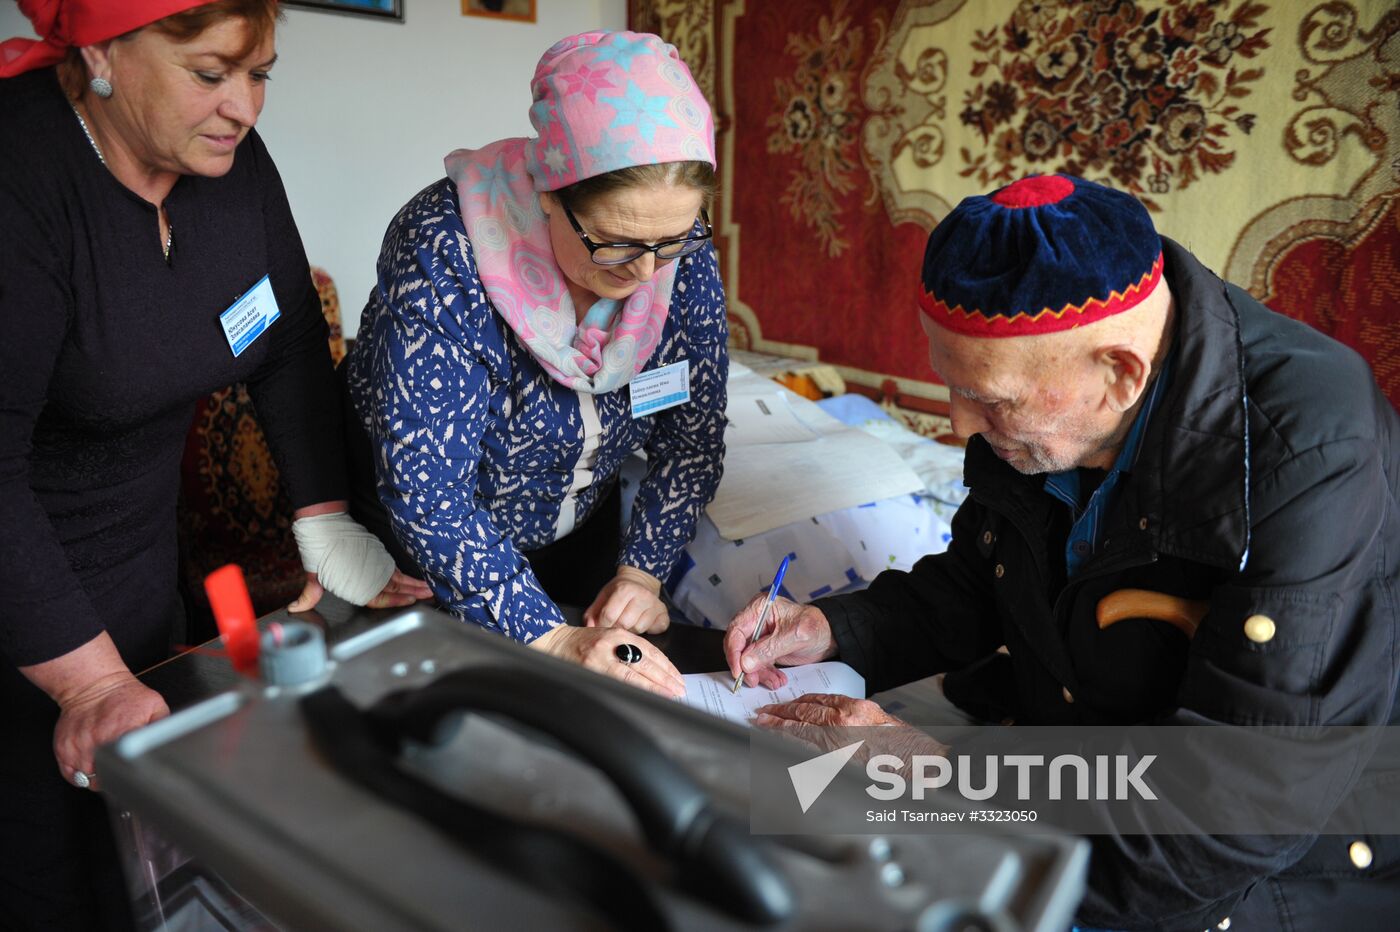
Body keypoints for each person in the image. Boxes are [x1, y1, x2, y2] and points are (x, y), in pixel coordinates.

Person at [725, 174, 1400, 929]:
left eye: (990, 400)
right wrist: (834, 630)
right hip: (1070, 775)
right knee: (742, 821)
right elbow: (984, 582)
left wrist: (937, 780)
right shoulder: (1045, 428)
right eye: (951, 388)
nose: (957, 425)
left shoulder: (1308, 453)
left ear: (1119, 373)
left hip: (1252, 869)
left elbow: (1234, 815)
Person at [0, 2, 431, 927]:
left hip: (141, 586)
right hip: (22, 606)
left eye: (262, 73)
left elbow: (284, 345)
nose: (245, 106)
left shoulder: (228, 166)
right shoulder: (21, 174)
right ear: (106, 52)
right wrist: (92, 683)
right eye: (211, 73)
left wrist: (325, 520)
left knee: (138, 876)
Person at [342, 30, 727, 700]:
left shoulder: (674, 254)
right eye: (615, 244)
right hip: (429, 556)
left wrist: (640, 576)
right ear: (549, 191)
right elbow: (429, 488)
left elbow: (690, 440)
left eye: (672, 241)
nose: (644, 273)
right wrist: (549, 636)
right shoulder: (444, 247)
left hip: (578, 533)